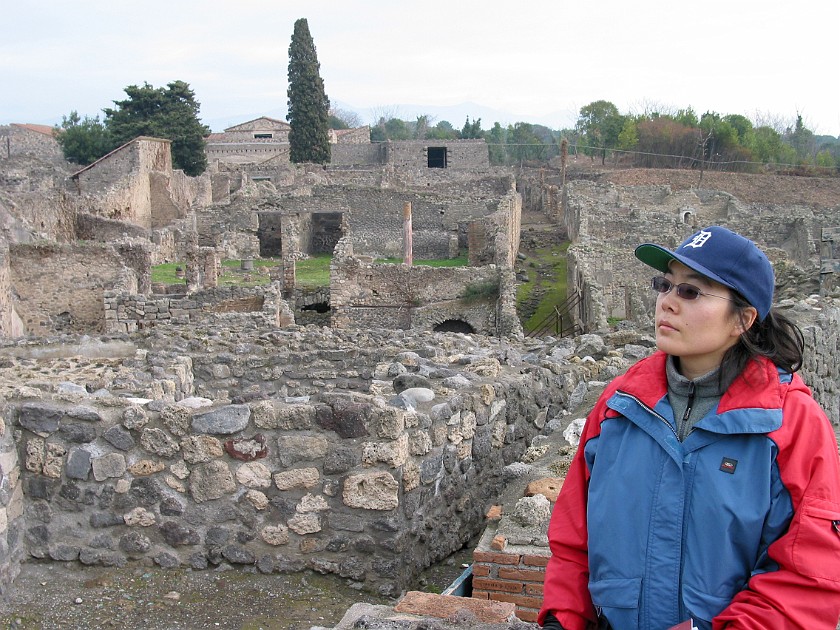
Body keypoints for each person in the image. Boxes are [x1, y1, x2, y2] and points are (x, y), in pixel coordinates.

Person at [538, 226, 840, 630]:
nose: (667, 302)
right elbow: (574, 537)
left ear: (744, 319)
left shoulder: (791, 426)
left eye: (691, 292)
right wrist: (564, 617)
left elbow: (810, 575)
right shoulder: (619, 406)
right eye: (665, 284)